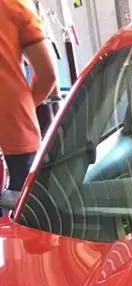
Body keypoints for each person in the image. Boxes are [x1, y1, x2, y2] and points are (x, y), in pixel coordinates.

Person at [0, 0, 57, 191]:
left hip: (14, 132)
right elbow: (47, 75)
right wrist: (24, 107)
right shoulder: (14, 5)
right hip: (14, 131)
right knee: (23, 212)